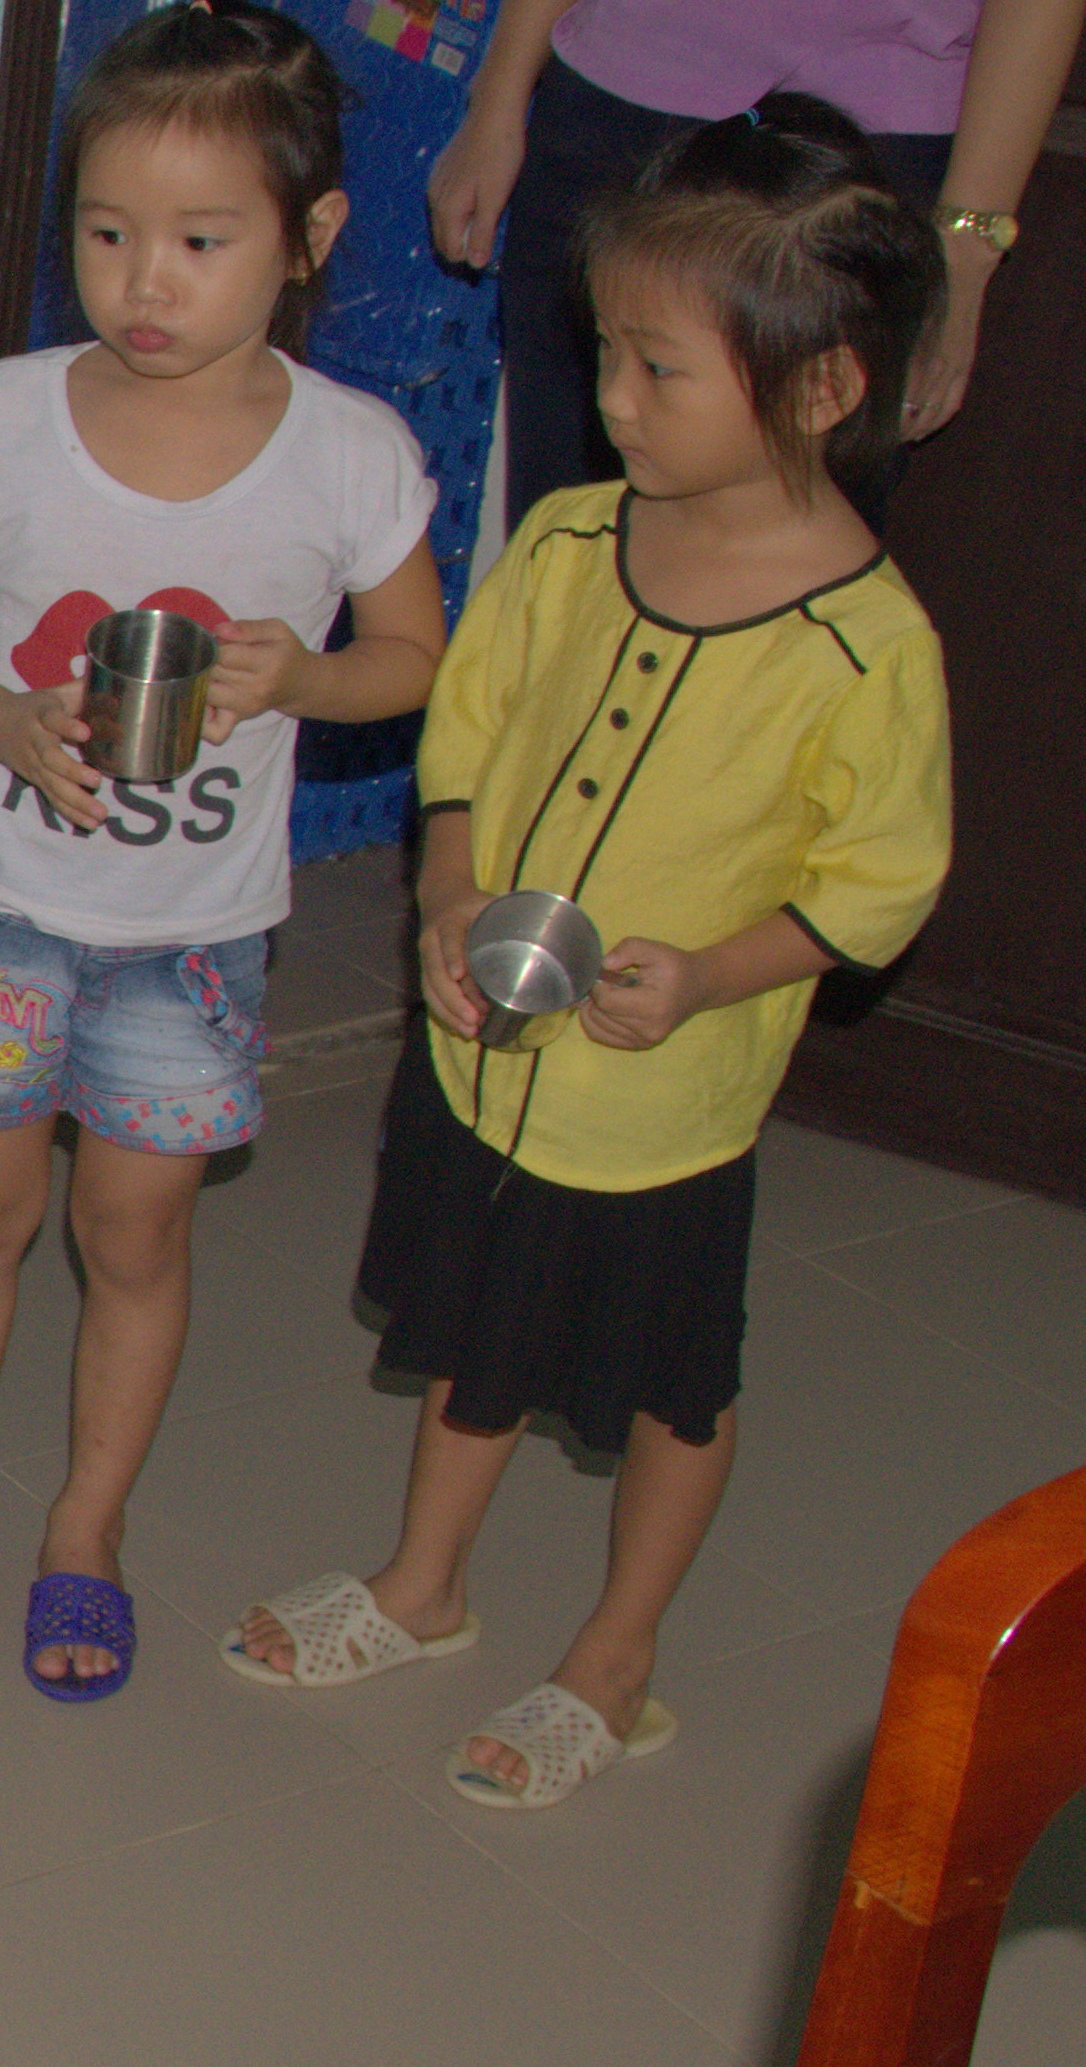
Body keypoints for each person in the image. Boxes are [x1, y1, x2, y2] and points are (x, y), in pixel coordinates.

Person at [228, 97, 954, 1808]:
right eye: (603, 356)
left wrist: (711, 972)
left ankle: (615, 1656)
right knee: (478, 1326)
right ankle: (425, 1585)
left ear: (821, 388)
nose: (609, 400)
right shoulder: (566, 540)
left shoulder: (864, 654)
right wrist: (440, 891)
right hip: (492, 1052)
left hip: (661, 1109)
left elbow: (879, 879)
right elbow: (469, 721)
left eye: (654, 369)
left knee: (665, 1390)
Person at [0, 0, 447, 1698]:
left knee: (136, 1230)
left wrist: (304, 674)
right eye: (105, 234)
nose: (141, 282)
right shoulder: (9, 415)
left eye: (195, 239)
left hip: (188, 930)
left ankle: (84, 1526)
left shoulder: (348, 455)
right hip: (0, 903)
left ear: (305, 240)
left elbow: (411, 659)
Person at [430, 0, 1086, 533]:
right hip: (612, 123)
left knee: (780, 604)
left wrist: (966, 247)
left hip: (849, 175)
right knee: (574, 563)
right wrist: (502, 91)